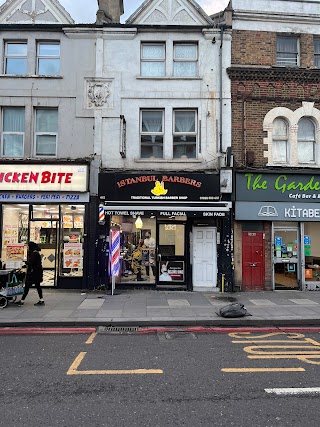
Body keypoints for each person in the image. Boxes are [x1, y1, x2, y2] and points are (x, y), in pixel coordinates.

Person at [17, 241, 44, 306]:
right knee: (37, 286)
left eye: (28, 246)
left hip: (33, 273)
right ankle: (41, 299)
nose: (28, 248)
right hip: (36, 272)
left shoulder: (34, 254)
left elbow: (30, 263)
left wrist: (24, 261)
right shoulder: (35, 253)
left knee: (27, 286)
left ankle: (22, 300)